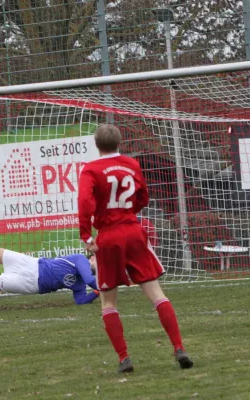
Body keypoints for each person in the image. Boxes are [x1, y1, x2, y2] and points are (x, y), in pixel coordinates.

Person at [78, 124, 193, 373]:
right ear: (120, 142)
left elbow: (85, 201)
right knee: (156, 293)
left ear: (96, 145)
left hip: (108, 236)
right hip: (133, 231)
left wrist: (86, 234)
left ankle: (124, 358)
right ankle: (179, 347)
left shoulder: (90, 169)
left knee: (108, 302)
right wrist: (129, 214)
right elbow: (143, 196)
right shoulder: (131, 164)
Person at [0, 239, 100, 305]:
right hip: (32, 265)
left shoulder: (79, 284)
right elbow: (90, 280)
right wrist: (103, 286)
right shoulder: (81, 259)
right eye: (95, 257)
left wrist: (96, 293)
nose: (94, 258)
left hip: (32, 285)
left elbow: (80, 300)